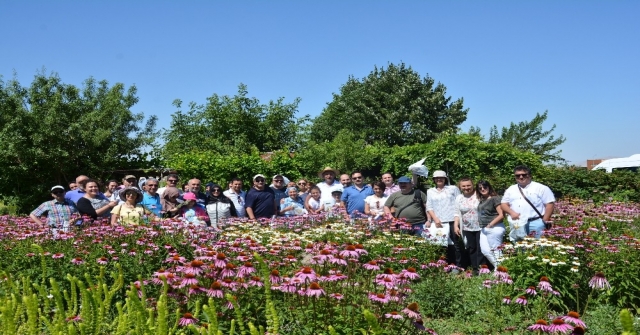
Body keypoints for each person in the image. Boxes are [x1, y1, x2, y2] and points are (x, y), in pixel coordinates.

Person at [501, 165, 555, 239]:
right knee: (519, 246)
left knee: (538, 246)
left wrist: (544, 221)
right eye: (517, 175)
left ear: (529, 175)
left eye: (524, 175)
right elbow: (504, 204)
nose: (521, 177)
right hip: (517, 223)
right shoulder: (511, 189)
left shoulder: (541, 188)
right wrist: (511, 213)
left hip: (535, 223)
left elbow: (550, 204)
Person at [426, 170, 462, 268]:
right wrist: (435, 219)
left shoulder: (453, 189)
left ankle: (457, 266)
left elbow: (459, 202)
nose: (439, 179)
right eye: (437, 178)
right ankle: (444, 266)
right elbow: (429, 206)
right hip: (439, 223)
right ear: (434, 180)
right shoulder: (430, 191)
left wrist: (457, 221)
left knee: (455, 244)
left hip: (452, 220)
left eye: (441, 177)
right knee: (440, 244)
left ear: (445, 179)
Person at [454, 177, 481, 274]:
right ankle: (475, 268)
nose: (466, 188)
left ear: (473, 185)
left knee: (481, 247)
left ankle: (482, 267)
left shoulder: (479, 194)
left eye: (468, 185)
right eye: (463, 186)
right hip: (467, 227)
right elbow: (457, 213)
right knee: (472, 248)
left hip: (481, 226)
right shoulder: (459, 198)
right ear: (460, 187)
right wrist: (456, 226)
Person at [477, 180, 505, 268]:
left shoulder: (495, 198)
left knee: (496, 251)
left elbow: (501, 215)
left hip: (494, 227)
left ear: (489, 187)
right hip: (484, 228)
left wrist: (490, 225)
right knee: (485, 250)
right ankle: (499, 268)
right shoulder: (482, 200)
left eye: (485, 187)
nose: (483, 189)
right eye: (480, 188)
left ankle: (501, 270)